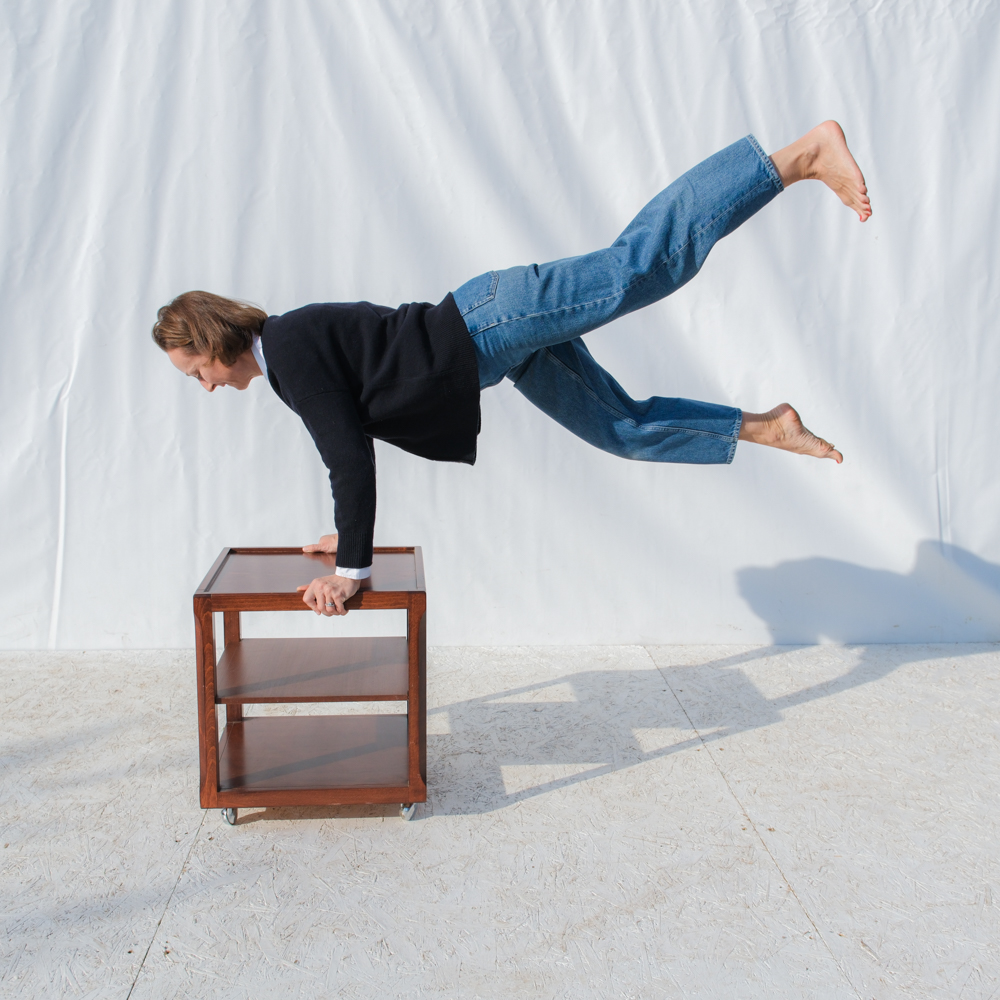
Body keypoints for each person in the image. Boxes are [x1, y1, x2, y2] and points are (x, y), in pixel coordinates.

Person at [153, 120, 870, 617]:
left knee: (635, 268)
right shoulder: (290, 354)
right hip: (496, 347)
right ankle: (764, 426)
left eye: (196, 372)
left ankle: (798, 157)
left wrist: (350, 574)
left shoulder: (288, 352)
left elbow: (347, 458)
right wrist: (350, 538)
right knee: (618, 428)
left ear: (212, 342)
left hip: (491, 321)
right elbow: (360, 426)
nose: (206, 387)